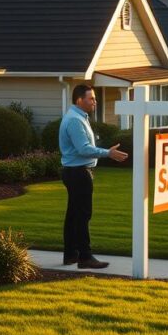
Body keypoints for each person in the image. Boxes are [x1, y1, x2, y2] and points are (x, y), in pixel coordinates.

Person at [59, 84, 128, 268]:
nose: (95, 102)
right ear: (79, 100)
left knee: (74, 214)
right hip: (79, 173)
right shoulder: (75, 120)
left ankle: (71, 255)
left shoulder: (78, 117)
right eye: (91, 99)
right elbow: (83, 149)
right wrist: (108, 153)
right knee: (82, 215)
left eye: (95, 98)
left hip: (75, 172)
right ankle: (85, 257)